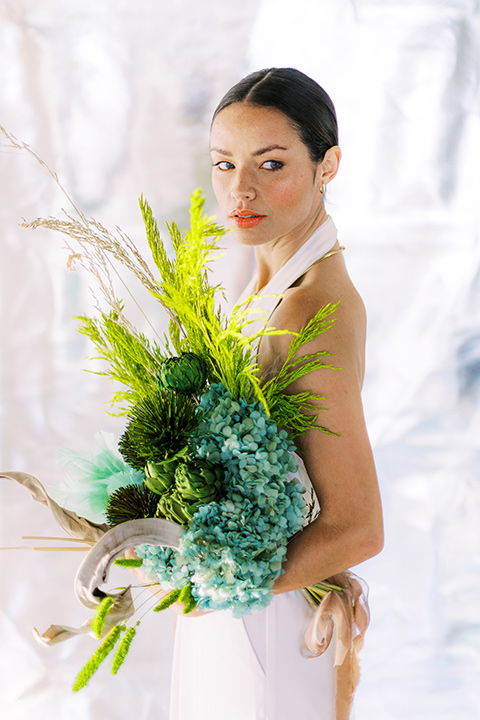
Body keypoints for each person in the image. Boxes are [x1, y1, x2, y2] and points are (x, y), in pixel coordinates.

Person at [166, 68, 383, 720]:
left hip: (262, 627)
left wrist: (211, 580)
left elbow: (357, 527)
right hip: (241, 611)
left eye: (271, 163)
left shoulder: (305, 312)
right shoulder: (267, 290)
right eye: (224, 164)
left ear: (329, 164)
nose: (241, 188)